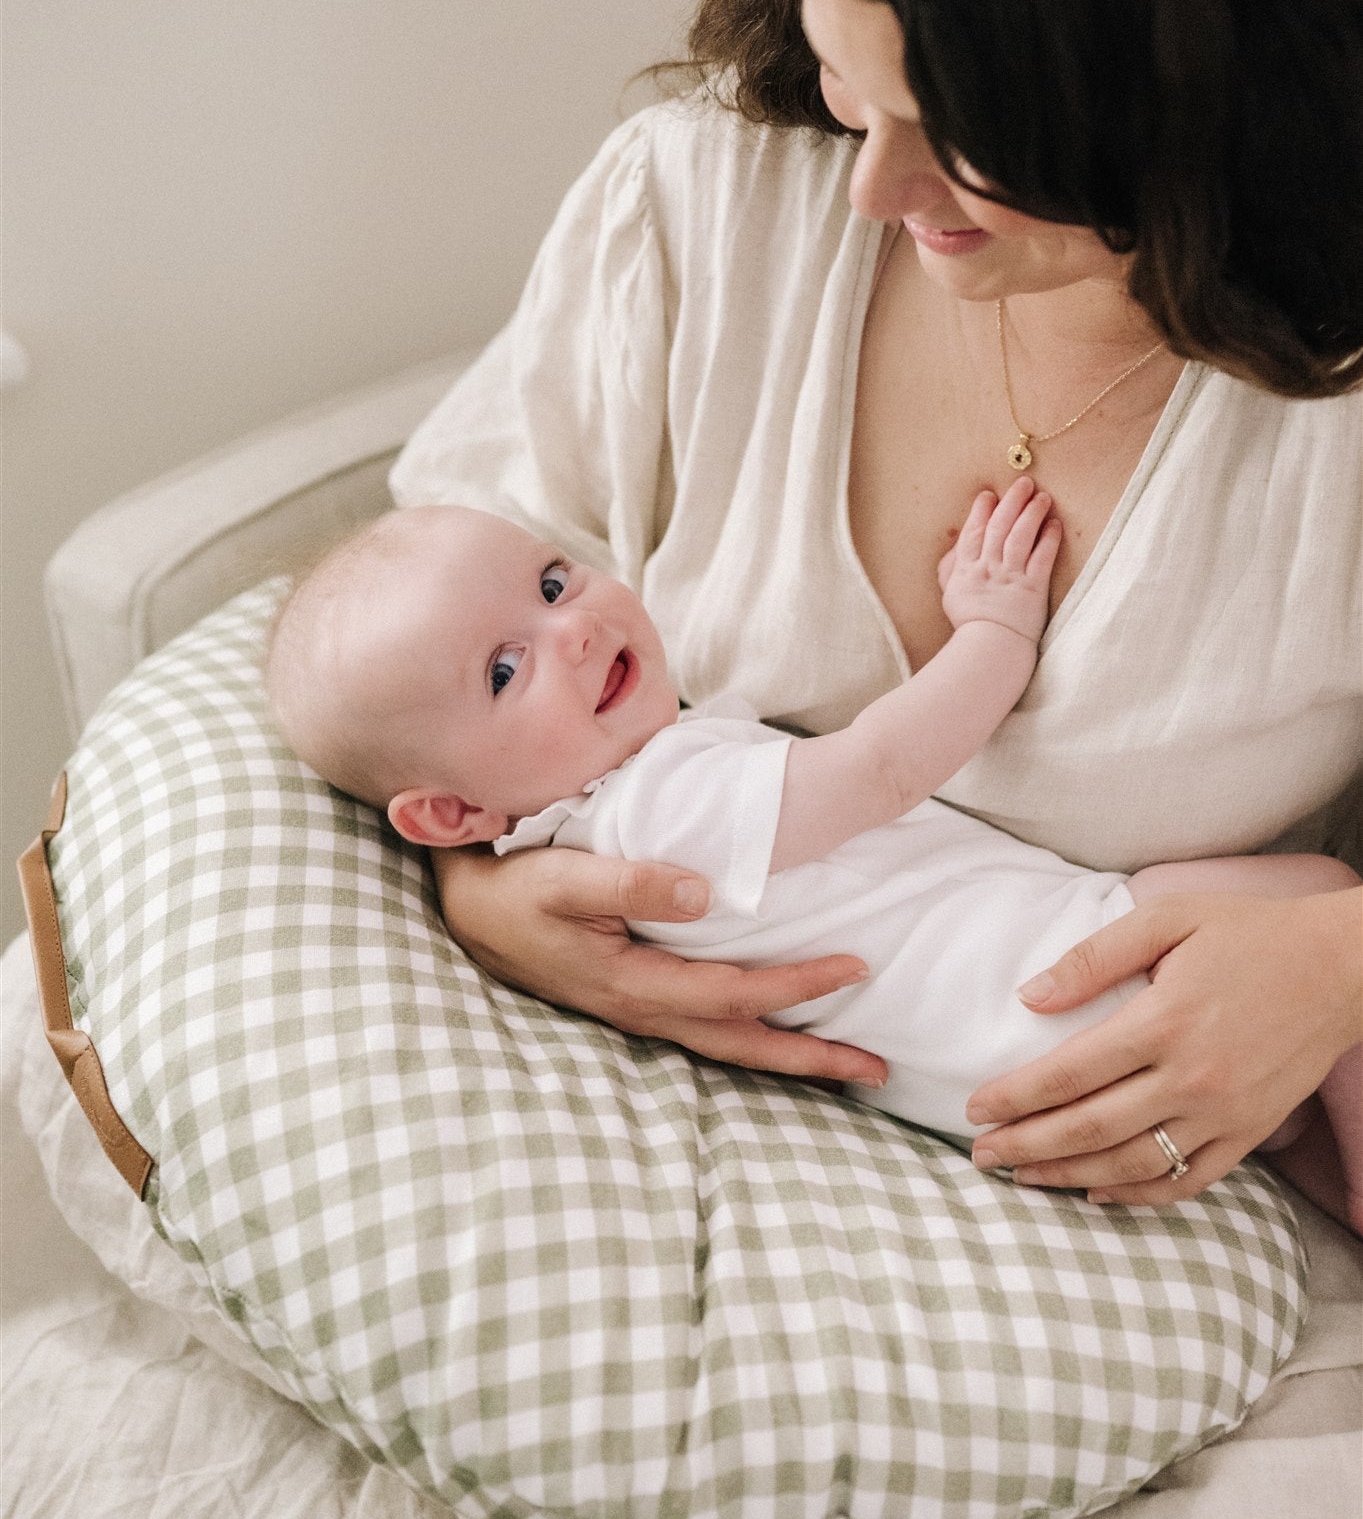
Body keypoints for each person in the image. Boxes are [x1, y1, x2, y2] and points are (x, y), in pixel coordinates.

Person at [382, 0, 1362, 1519]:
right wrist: (485, 897)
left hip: (1183, 1220)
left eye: (971, 133)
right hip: (769, 1217)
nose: (877, 184)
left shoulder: (1325, 402)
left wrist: (1337, 950)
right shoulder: (700, 205)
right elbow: (415, 634)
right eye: (846, 81)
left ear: (1203, 93)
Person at [268, 490, 1362, 1226]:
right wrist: (995, 632)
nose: (575, 631)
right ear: (452, 815)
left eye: (555, 584)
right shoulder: (659, 805)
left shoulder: (590, 838)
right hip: (1070, 973)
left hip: (1010, 1076)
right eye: (505, 671)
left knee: (1299, 1104)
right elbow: (881, 769)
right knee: (1318, 894)